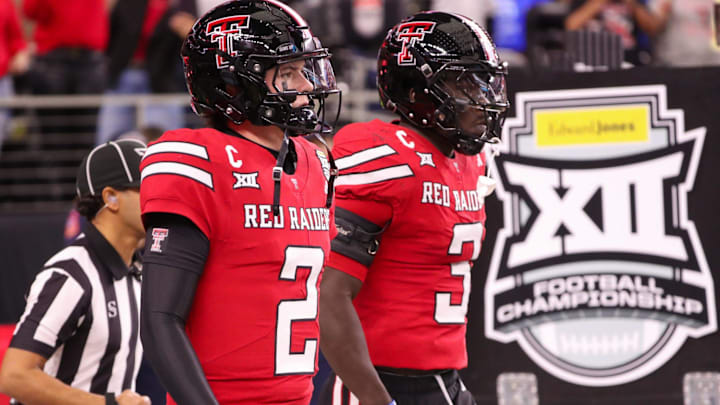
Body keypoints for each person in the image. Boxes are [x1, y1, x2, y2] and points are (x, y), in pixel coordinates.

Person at [138, 1, 340, 404]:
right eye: (286, 73)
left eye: (304, 70)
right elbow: (160, 319)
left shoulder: (316, 161)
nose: (305, 87)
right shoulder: (200, 160)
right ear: (233, 83)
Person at [318, 11, 508, 405]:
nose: (482, 98)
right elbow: (330, 295)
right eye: (462, 83)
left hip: (445, 381)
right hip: (380, 383)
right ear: (417, 90)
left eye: (483, 82)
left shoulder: (469, 159)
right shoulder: (383, 156)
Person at [0, 139, 150, 405]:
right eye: (146, 188)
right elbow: (14, 375)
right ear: (111, 198)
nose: (160, 199)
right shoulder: (72, 274)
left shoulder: (135, 272)